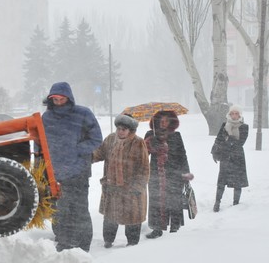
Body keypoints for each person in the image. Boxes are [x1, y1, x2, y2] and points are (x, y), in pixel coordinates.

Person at [42, 81, 102, 252]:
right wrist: (40, 168)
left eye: (62, 99)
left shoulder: (83, 114)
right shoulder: (46, 118)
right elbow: (40, 144)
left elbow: (96, 138)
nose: (59, 102)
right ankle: (64, 243)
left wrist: (77, 149)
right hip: (55, 172)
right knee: (60, 210)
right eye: (55, 99)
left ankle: (83, 245)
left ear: (69, 98)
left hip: (79, 171)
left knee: (79, 208)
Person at [92, 114, 150, 248]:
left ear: (130, 130)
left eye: (124, 129)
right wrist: (86, 156)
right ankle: (108, 241)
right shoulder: (110, 139)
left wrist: (137, 187)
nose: (120, 131)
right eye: (118, 128)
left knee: (132, 217)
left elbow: (144, 167)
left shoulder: (138, 142)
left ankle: (132, 243)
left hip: (131, 189)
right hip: (112, 187)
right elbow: (99, 153)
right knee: (110, 216)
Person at [144, 110, 194, 239]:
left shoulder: (176, 136)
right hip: (155, 173)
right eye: (160, 120)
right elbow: (143, 154)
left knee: (174, 200)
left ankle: (174, 227)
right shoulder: (150, 134)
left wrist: (185, 172)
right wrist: (150, 144)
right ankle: (157, 228)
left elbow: (182, 155)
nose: (163, 123)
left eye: (166, 120)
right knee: (156, 200)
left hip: (174, 173)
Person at [212, 104, 249, 212]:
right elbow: (218, 139)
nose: (234, 115)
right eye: (232, 113)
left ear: (239, 114)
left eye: (236, 113)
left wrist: (228, 140)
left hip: (238, 157)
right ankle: (217, 202)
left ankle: (236, 202)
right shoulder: (225, 125)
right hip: (225, 156)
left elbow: (240, 143)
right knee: (221, 181)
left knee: (237, 181)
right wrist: (214, 151)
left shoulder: (244, 126)